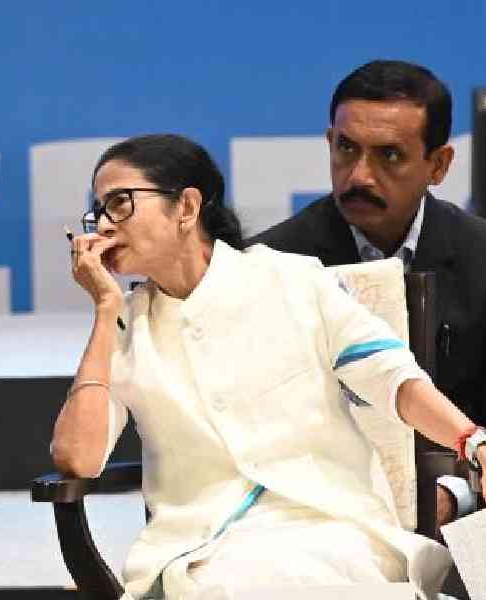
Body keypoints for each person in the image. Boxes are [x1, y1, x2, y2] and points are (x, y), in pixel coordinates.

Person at [52, 133, 486, 599]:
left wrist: (472, 441)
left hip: (331, 525)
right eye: (96, 210)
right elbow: (77, 458)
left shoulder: (293, 281)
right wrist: (103, 309)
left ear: (186, 207)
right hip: (205, 548)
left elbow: (393, 379)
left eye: (119, 202)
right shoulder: (123, 325)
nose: (103, 225)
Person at [252, 60, 486, 525]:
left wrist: (453, 494)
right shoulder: (269, 264)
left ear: (438, 165)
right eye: (346, 148)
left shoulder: (482, 258)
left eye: (390, 155)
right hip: (315, 520)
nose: (358, 175)